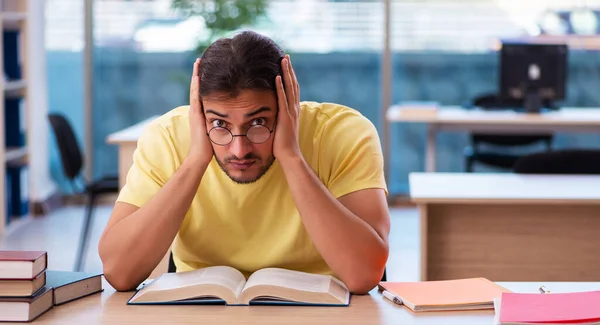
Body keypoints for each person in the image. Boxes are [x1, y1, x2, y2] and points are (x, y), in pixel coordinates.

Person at [99, 30, 390, 294]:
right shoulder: (167, 136)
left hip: (327, 313)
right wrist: (196, 160)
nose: (239, 149)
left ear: (289, 104)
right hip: (200, 315)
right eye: (219, 123)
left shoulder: (344, 133)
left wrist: (291, 157)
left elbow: (363, 275)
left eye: (259, 122)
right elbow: (119, 273)